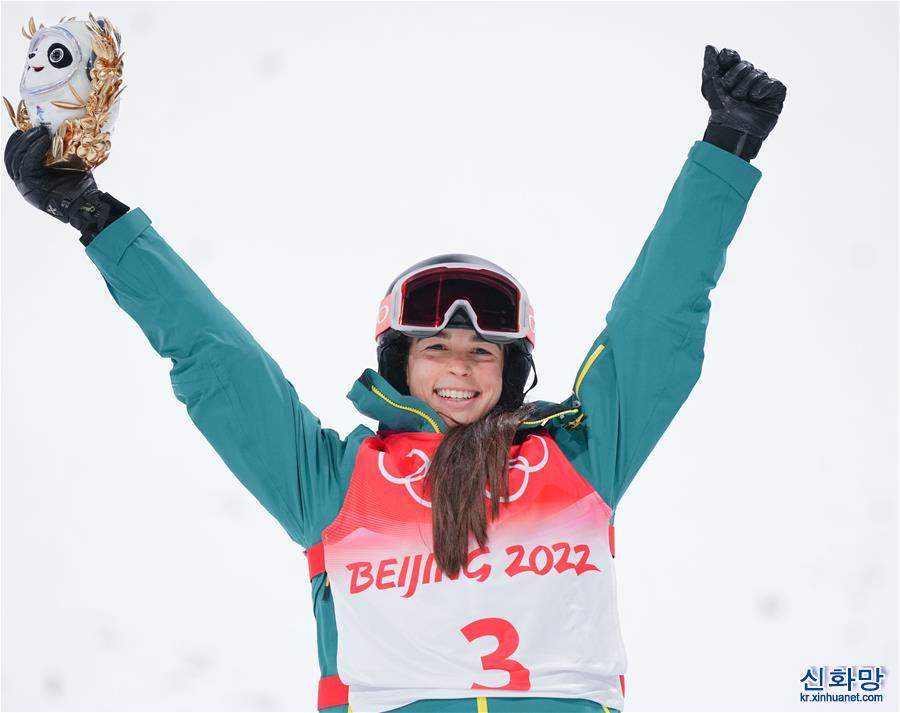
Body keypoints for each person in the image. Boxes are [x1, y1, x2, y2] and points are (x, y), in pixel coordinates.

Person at [4, 45, 786, 713]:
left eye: (483, 354)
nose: (458, 368)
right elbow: (217, 360)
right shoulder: (332, 482)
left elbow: (656, 326)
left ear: (511, 374)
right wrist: (97, 218)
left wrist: (725, 148)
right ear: (399, 366)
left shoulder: (580, 457)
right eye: (435, 349)